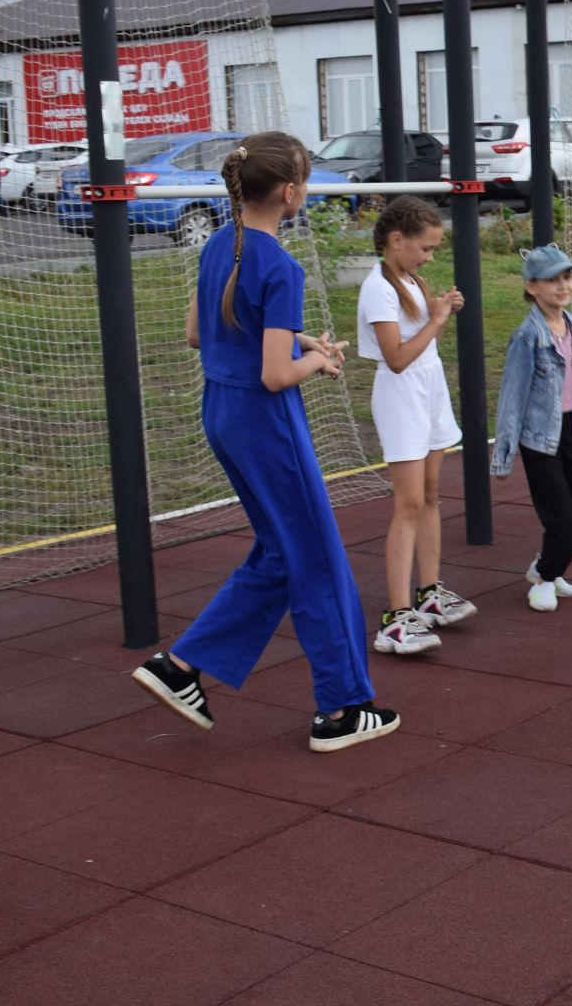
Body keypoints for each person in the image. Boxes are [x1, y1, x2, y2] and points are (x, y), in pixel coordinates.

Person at [131, 132, 397, 753]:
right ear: (289, 192)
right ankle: (341, 709)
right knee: (320, 561)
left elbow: (202, 334)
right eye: (306, 179)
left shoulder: (220, 243)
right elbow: (274, 375)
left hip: (221, 414)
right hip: (266, 423)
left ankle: (182, 667)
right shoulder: (281, 264)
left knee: (283, 553)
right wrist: (316, 361)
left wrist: (298, 340)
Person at [358, 196, 475, 653]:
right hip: (401, 395)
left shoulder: (411, 278)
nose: (429, 256)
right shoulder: (379, 288)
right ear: (396, 240)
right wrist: (438, 316)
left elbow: (425, 345)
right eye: (425, 248)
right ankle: (396, 617)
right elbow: (398, 358)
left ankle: (429, 594)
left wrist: (441, 313)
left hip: (430, 388)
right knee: (407, 504)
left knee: (429, 494)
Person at [492, 244, 572, 611]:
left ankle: (551, 564)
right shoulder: (528, 337)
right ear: (532, 287)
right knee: (563, 520)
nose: (563, 286)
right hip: (541, 438)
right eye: (552, 280)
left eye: (567, 277)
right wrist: (504, 456)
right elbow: (512, 397)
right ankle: (544, 578)